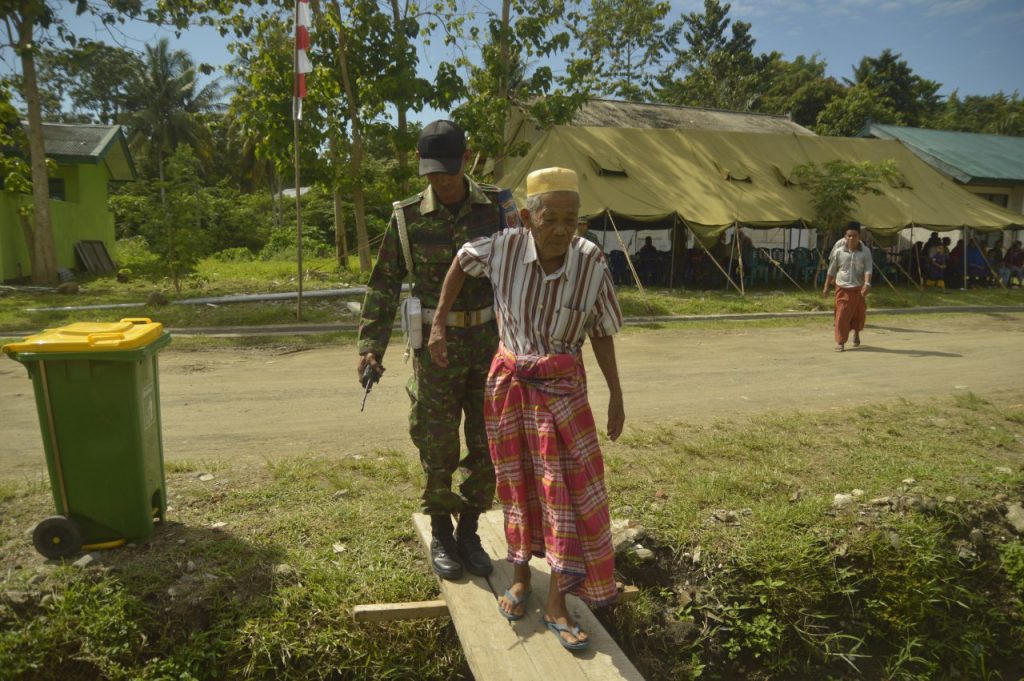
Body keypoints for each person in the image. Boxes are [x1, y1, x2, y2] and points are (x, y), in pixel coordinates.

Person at [428, 167, 624, 652]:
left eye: (571, 220)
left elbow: (600, 330)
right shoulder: (504, 246)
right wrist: (437, 324)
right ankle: (519, 579)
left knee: (567, 494)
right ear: (526, 217)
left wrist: (617, 394)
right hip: (510, 383)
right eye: (550, 219)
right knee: (516, 485)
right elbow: (459, 260)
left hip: (563, 390)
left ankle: (558, 602)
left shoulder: (591, 261)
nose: (562, 230)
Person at [356, 119, 520, 581]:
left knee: (487, 442)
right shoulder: (406, 217)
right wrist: (371, 346)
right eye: (432, 174)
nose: (440, 182)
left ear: (466, 161)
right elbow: (384, 283)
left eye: (447, 172)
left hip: (491, 344)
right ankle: (441, 530)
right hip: (436, 348)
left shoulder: (500, 209)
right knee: (437, 442)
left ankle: (470, 529)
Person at [823, 221, 873, 352]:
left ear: (859, 236)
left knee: (859, 314)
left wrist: (867, 284)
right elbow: (831, 269)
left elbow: (868, 269)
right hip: (842, 287)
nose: (851, 238)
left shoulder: (865, 251)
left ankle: (856, 333)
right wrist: (826, 286)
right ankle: (840, 341)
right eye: (849, 235)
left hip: (858, 288)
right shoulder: (839, 250)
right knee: (841, 315)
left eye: (854, 236)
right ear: (845, 236)